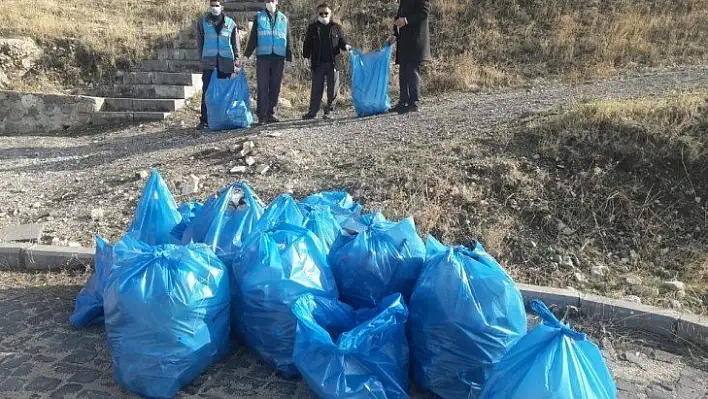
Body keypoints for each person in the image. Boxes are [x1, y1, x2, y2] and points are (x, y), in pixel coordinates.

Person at [243, 0, 293, 125]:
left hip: (278, 57)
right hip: (263, 57)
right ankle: (262, 116)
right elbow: (253, 38)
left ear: (277, 2)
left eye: (272, 0)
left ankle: (272, 113)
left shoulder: (283, 18)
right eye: (267, 1)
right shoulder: (259, 17)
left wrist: (289, 58)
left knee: (275, 86)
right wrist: (246, 55)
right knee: (263, 87)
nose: (269, 2)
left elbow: (288, 39)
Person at [301, 3, 352, 120]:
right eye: (321, 13)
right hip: (317, 63)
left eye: (326, 13)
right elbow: (307, 44)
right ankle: (312, 113)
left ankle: (329, 112)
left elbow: (342, 42)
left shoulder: (336, 27)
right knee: (316, 89)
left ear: (330, 13)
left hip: (333, 63)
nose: (323, 15)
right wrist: (305, 57)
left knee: (333, 89)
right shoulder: (312, 28)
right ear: (317, 14)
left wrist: (347, 46)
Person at [195, 0, 240, 129]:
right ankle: (205, 120)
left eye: (217, 5)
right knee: (207, 92)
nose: (214, 8)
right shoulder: (202, 22)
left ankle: (222, 119)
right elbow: (200, 42)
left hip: (226, 62)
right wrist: (201, 59)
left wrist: (236, 59)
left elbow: (235, 44)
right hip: (209, 62)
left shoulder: (231, 23)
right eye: (212, 5)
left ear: (222, 7)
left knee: (225, 92)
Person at [387, 0, 430, 113]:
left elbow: (424, 13)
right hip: (404, 43)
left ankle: (414, 103)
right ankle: (403, 102)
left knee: (412, 72)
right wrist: (395, 35)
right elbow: (398, 17)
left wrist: (406, 20)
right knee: (403, 73)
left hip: (415, 42)